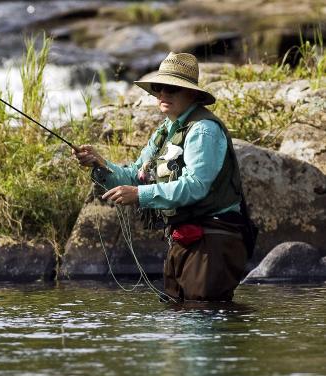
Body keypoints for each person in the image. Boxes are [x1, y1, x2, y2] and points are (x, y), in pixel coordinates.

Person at [74, 52, 249, 302]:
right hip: (184, 240)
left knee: (203, 314)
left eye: (172, 88)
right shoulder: (165, 130)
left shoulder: (204, 130)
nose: (163, 94)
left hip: (213, 241)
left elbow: (196, 186)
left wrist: (139, 195)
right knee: (180, 315)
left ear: (192, 94)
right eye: (159, 88)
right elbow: (137, 176)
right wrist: (100, 165)